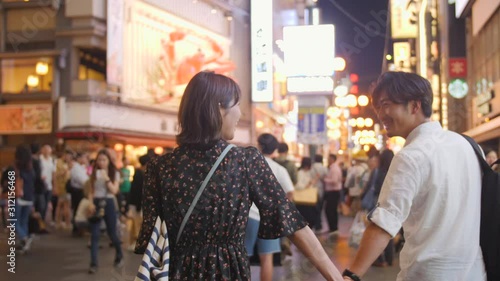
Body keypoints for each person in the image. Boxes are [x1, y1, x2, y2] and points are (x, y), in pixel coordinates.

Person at [135, 71, 343, 281]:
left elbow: (150, 239)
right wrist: (335, 277)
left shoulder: (159, 167)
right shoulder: (244, 161)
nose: (240, 113)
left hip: (175, 272)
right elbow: (292, 223)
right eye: (236, 105)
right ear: (218, 108)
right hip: (226, 271)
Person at [342, 72, 485, 281]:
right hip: (474, 273)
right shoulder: (470, 146)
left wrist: (351, 275)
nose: (381, 114)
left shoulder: (411, 156)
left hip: (428, 274)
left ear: (414, 106)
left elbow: (384, 223)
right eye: (378, 107)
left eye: (386, 104)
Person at [245, 133, 294, 281]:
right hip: (270, 219)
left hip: (249, 217)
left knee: (243, 256)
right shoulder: (279, 169)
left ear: (259, 146)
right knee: (267, 258)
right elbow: (290, 192)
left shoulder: (248, 165)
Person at [87, 149, 123, 274]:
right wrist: (91, 203)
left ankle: (119, 253)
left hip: (108, 203)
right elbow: (91, 191)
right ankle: (93, 264)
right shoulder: (93, 173)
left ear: (108, 161)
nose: (101, 162)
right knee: (95, 235)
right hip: (96, 203)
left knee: (112, 233)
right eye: (99, 160)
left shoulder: (114, 174)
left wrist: (107, 178)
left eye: (104, 160)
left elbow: (114, 190)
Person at [323, 154, 343, 236]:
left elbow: (334, 181)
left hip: (333, 192)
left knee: (330, 210)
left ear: (332, 159)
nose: (328, 160)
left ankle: (333, 228)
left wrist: (325, 179)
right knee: (331, 210)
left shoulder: (334, 169)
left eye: (329, 159)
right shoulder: (333, 168)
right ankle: (332, 228)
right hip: (333, 192)